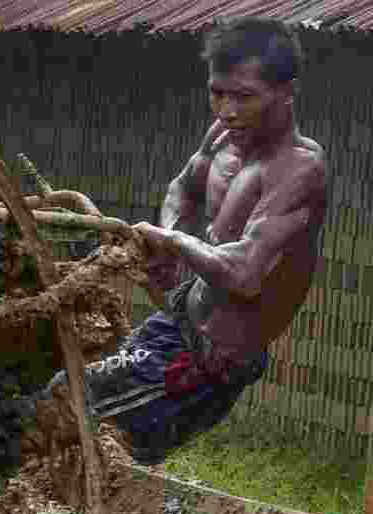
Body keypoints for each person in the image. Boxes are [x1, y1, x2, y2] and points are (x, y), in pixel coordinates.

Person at [41, 17, 328, 464]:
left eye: (245, 97)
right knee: (74, 423)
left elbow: (246, 274)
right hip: (176, 324)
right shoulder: (223, 137)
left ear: (286, 94)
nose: (227, 110)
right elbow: (182, 189)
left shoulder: (298, 170)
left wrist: (171, 241)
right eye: (218, 92)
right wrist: (168, 248)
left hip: (212, 362)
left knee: (76, 418)